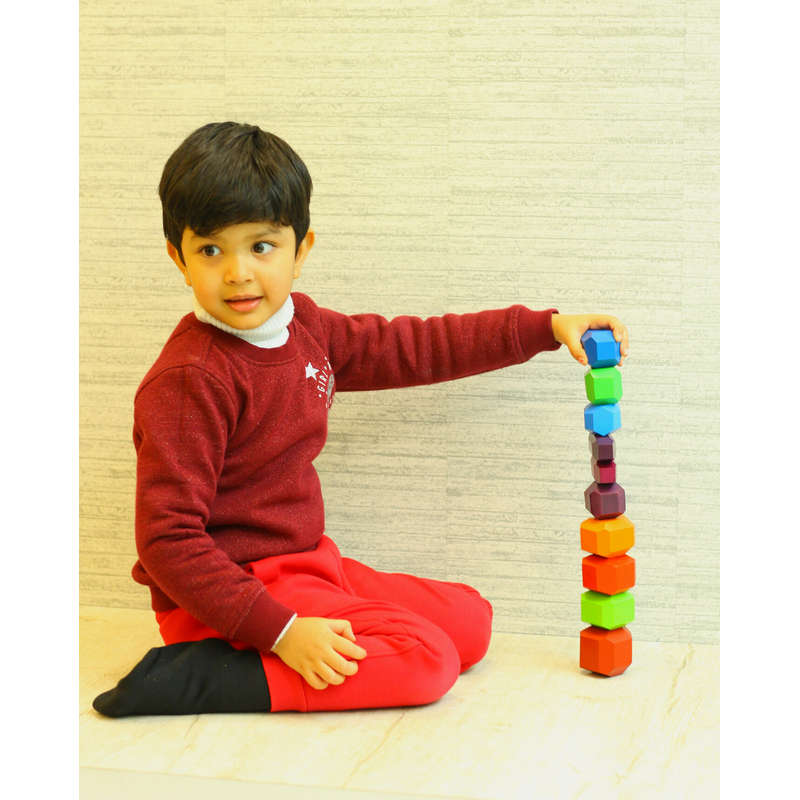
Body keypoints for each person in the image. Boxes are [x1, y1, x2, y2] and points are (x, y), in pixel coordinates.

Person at [93, 122, 629, 717]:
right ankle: (203, 673)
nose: (238, 272)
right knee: (428, 660)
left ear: (302, 249)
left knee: (470, 623)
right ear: (179, 258)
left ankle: (286, 634)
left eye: (261, 246)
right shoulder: (191, 380)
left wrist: (543, 328)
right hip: (227, 595)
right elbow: (167, 542)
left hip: (307, 563)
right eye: (211, 249)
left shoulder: (307, 330)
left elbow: (418, 347)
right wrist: (282, 632)